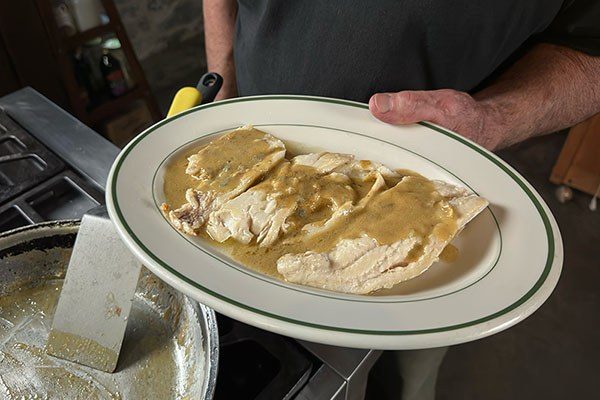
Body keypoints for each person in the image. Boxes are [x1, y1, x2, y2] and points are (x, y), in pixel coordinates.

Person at [202, 1, 600, 398]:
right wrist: (224, 85)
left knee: (403, 380)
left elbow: (590, 52)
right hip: (251, 163)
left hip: (428, 189)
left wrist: (496, 116)